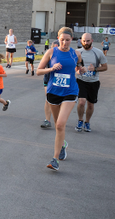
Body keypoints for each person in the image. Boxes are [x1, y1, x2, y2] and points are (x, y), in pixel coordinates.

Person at [36, 27, 84, 171]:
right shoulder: (51, 52)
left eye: (67, 40)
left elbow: (79, 67)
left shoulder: (76, 54)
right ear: (58, 39)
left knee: (60, 125)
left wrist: (81, 70)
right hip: (53, 92)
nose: (64, 42)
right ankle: (62, 144)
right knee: (58, 124)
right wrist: (51, 69)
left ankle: (55, 159)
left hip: (70, 91)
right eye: (62, 40)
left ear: (72, 40)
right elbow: (38, 71)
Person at [75, 33, 108, 133]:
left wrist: (95, 69)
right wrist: (79, 71)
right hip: (81, 80)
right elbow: (76, 67)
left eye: (88, 41)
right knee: (81, 102)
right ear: (81, 41)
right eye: (84, 41)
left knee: (90, 104)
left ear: (92, 40)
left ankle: (87, 122)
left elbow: (105, 67)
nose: (86, 43)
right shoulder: (78, 52)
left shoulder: (98, 52)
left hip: (93, 82)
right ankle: (80, 120)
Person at [40, 40, 59, 129]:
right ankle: (47, 120)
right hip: (48, 79)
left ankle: (58, 119)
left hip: (60, 81)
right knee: (48, 99)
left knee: (59, 101)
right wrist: (51, 68)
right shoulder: (49, 54)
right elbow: (41, 69)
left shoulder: (65, 55)